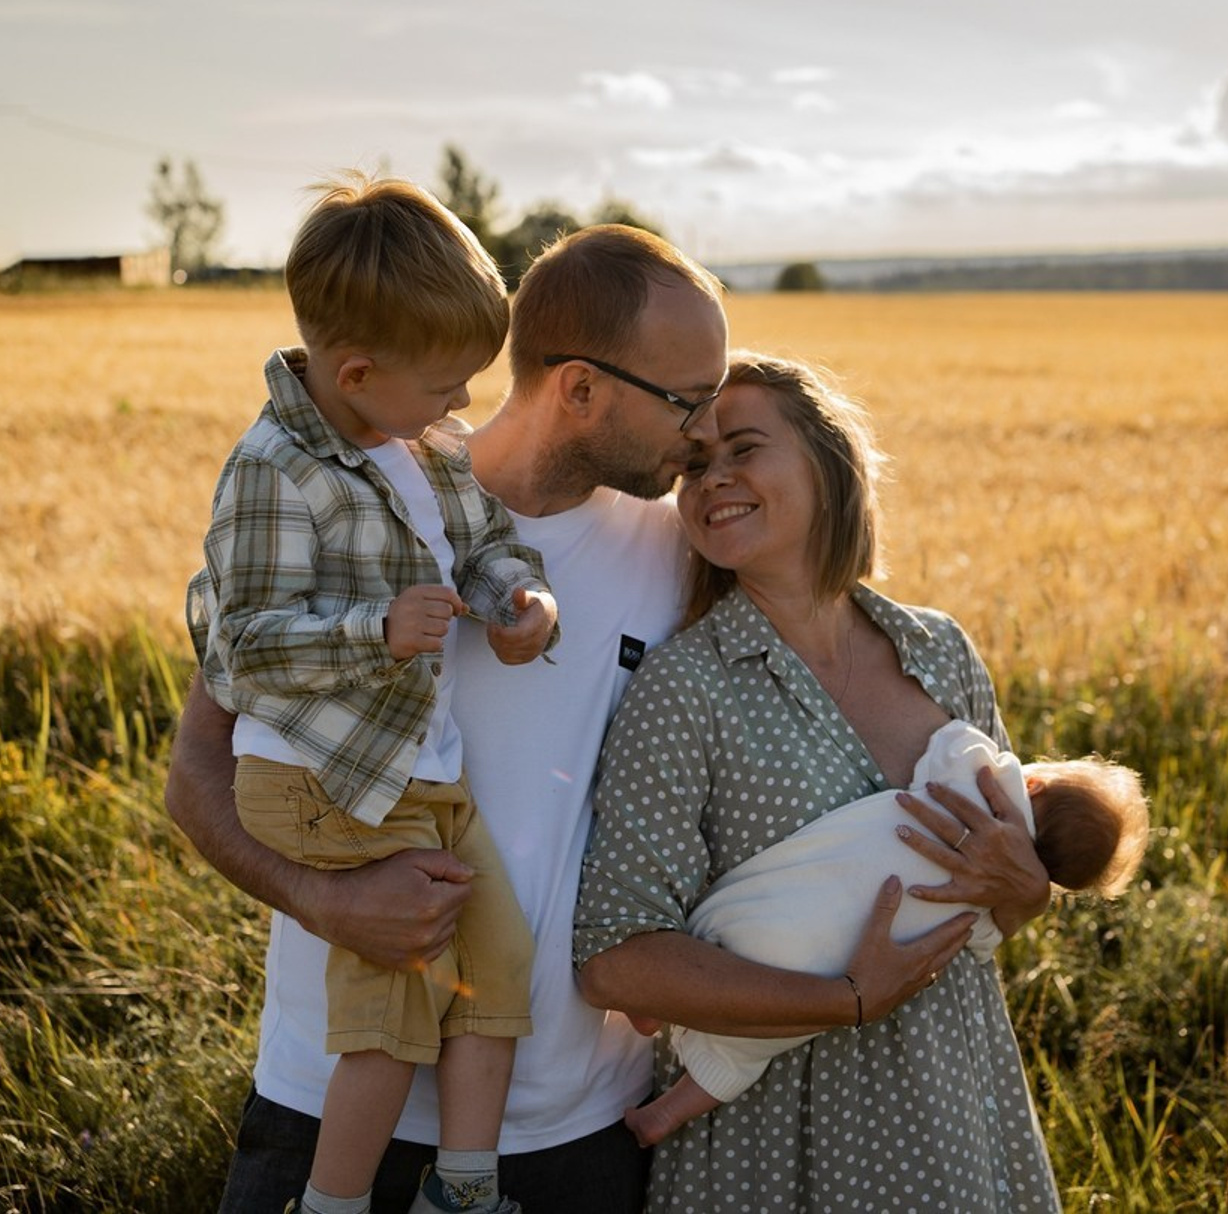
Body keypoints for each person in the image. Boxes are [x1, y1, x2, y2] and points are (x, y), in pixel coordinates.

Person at [166, 221, 736, 1214]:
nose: (705, 434)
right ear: (580, 388)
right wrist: (319, 897)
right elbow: (196, 773)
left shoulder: (685, 553)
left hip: (570, 1126)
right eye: (687, 401)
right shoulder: (350, 493)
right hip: (318, 1103)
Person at [574, 353, 1062, 1212]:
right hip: (778, 1137)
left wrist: (1031, 893)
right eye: (693, 465)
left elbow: (994, 903)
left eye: (744, 450)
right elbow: (615, 959)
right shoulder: (685, 688)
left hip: (956, 1105)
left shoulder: (939, 651)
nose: (712, 480)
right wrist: (843, 1000)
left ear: (828, 467)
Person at [187, 173, 560, 1214]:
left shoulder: (424, 444)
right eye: (448, 383)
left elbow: (483, 543)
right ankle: (333, 1204)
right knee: (394, 1007)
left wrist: (519, 597)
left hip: (416, 774)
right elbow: (242, 648)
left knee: (498, 964)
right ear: (355, 370)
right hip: (322, 778)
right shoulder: (272, 471)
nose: (463, 406)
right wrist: (373, 631)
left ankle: (464, 1189)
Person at [621, 719, 1150, 1148]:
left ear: (1034, 783)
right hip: (835, 967)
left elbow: (948, 742)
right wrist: (1026, 894)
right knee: (749, 1051)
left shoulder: (986, 782)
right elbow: (984, 943)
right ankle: (663, 1116)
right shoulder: (991, 902)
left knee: (728, 924)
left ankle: (657, 1005)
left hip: (788, 904)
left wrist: (994, 758)